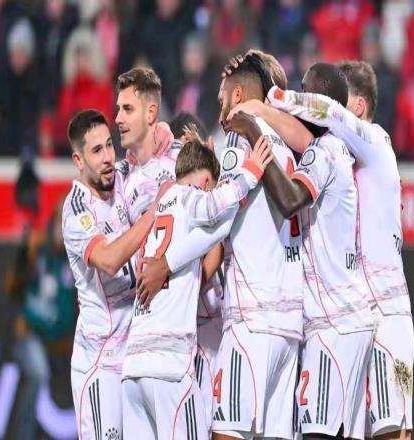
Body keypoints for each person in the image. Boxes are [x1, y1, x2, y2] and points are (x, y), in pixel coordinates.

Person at [137, 54, 303, 440]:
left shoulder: (240, 140)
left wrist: (167, 263)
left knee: (226, 431)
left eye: (221, 100)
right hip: (289, 323)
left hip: (251, 320)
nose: (220, 110)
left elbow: (218, 220)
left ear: (238, 95)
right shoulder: (287, 144)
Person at [265, 60, 414, 439]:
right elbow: (304, 136)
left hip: (387, 312)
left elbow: (327, 111)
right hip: (355, 312)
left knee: (393, 430)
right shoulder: (339, 153)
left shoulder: (375, 142)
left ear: (358, 107)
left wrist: (272, 98)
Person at [229, 61, 374, 440]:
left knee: (316, 434)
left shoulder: (324, 152)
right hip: (349, 318)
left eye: (304, 89)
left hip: (334, 322)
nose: (297, 96)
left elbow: (292, 200)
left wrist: (255, 137)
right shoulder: (335, 148)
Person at [122, 129, 272, 439]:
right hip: (168, 367)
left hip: (133, 367)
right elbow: (217, 210)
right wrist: (250, 171)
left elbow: (213, 232)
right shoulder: (188, 195)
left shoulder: (160, 207)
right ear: (205, 184)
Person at [62, 109, 165, 439]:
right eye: (96, 151)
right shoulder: (77, 210)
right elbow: (108, 260)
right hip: (101, 362)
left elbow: (152, 143)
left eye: (109, 145)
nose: (108, 157)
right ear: (78, 160)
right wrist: (153, 213)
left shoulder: (121, 175)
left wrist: (162, 132)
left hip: (136, 354)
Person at [7, 200, 77, 440]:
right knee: (38, 373)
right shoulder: (38, 249)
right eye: (59, 222)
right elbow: (11, 288)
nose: (61, 231)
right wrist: (23, 255)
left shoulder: (75, 262)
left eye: (67, 224)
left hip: (57, 342)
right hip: (29, 334)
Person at [115, 67, 177, 225]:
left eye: (128, 109)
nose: (118, 119)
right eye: (119, 109)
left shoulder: (181, 159)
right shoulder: (120, 179)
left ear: (151, 113)